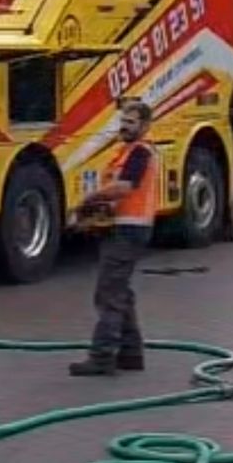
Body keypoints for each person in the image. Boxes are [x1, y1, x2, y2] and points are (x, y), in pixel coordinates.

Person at [70, 99, 157, 376]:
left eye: (130, 123)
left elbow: (124, 187)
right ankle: (131, 353)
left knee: (108, 292)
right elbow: (123, 195)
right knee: (120, 291)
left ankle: (102, 356)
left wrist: (90, 199)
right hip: (125, 226)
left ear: (144, 126)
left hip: (130, 229)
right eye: (123, 122)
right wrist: (97, 213)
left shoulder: (140, 152)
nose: (125, 127)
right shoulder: (128, 152)